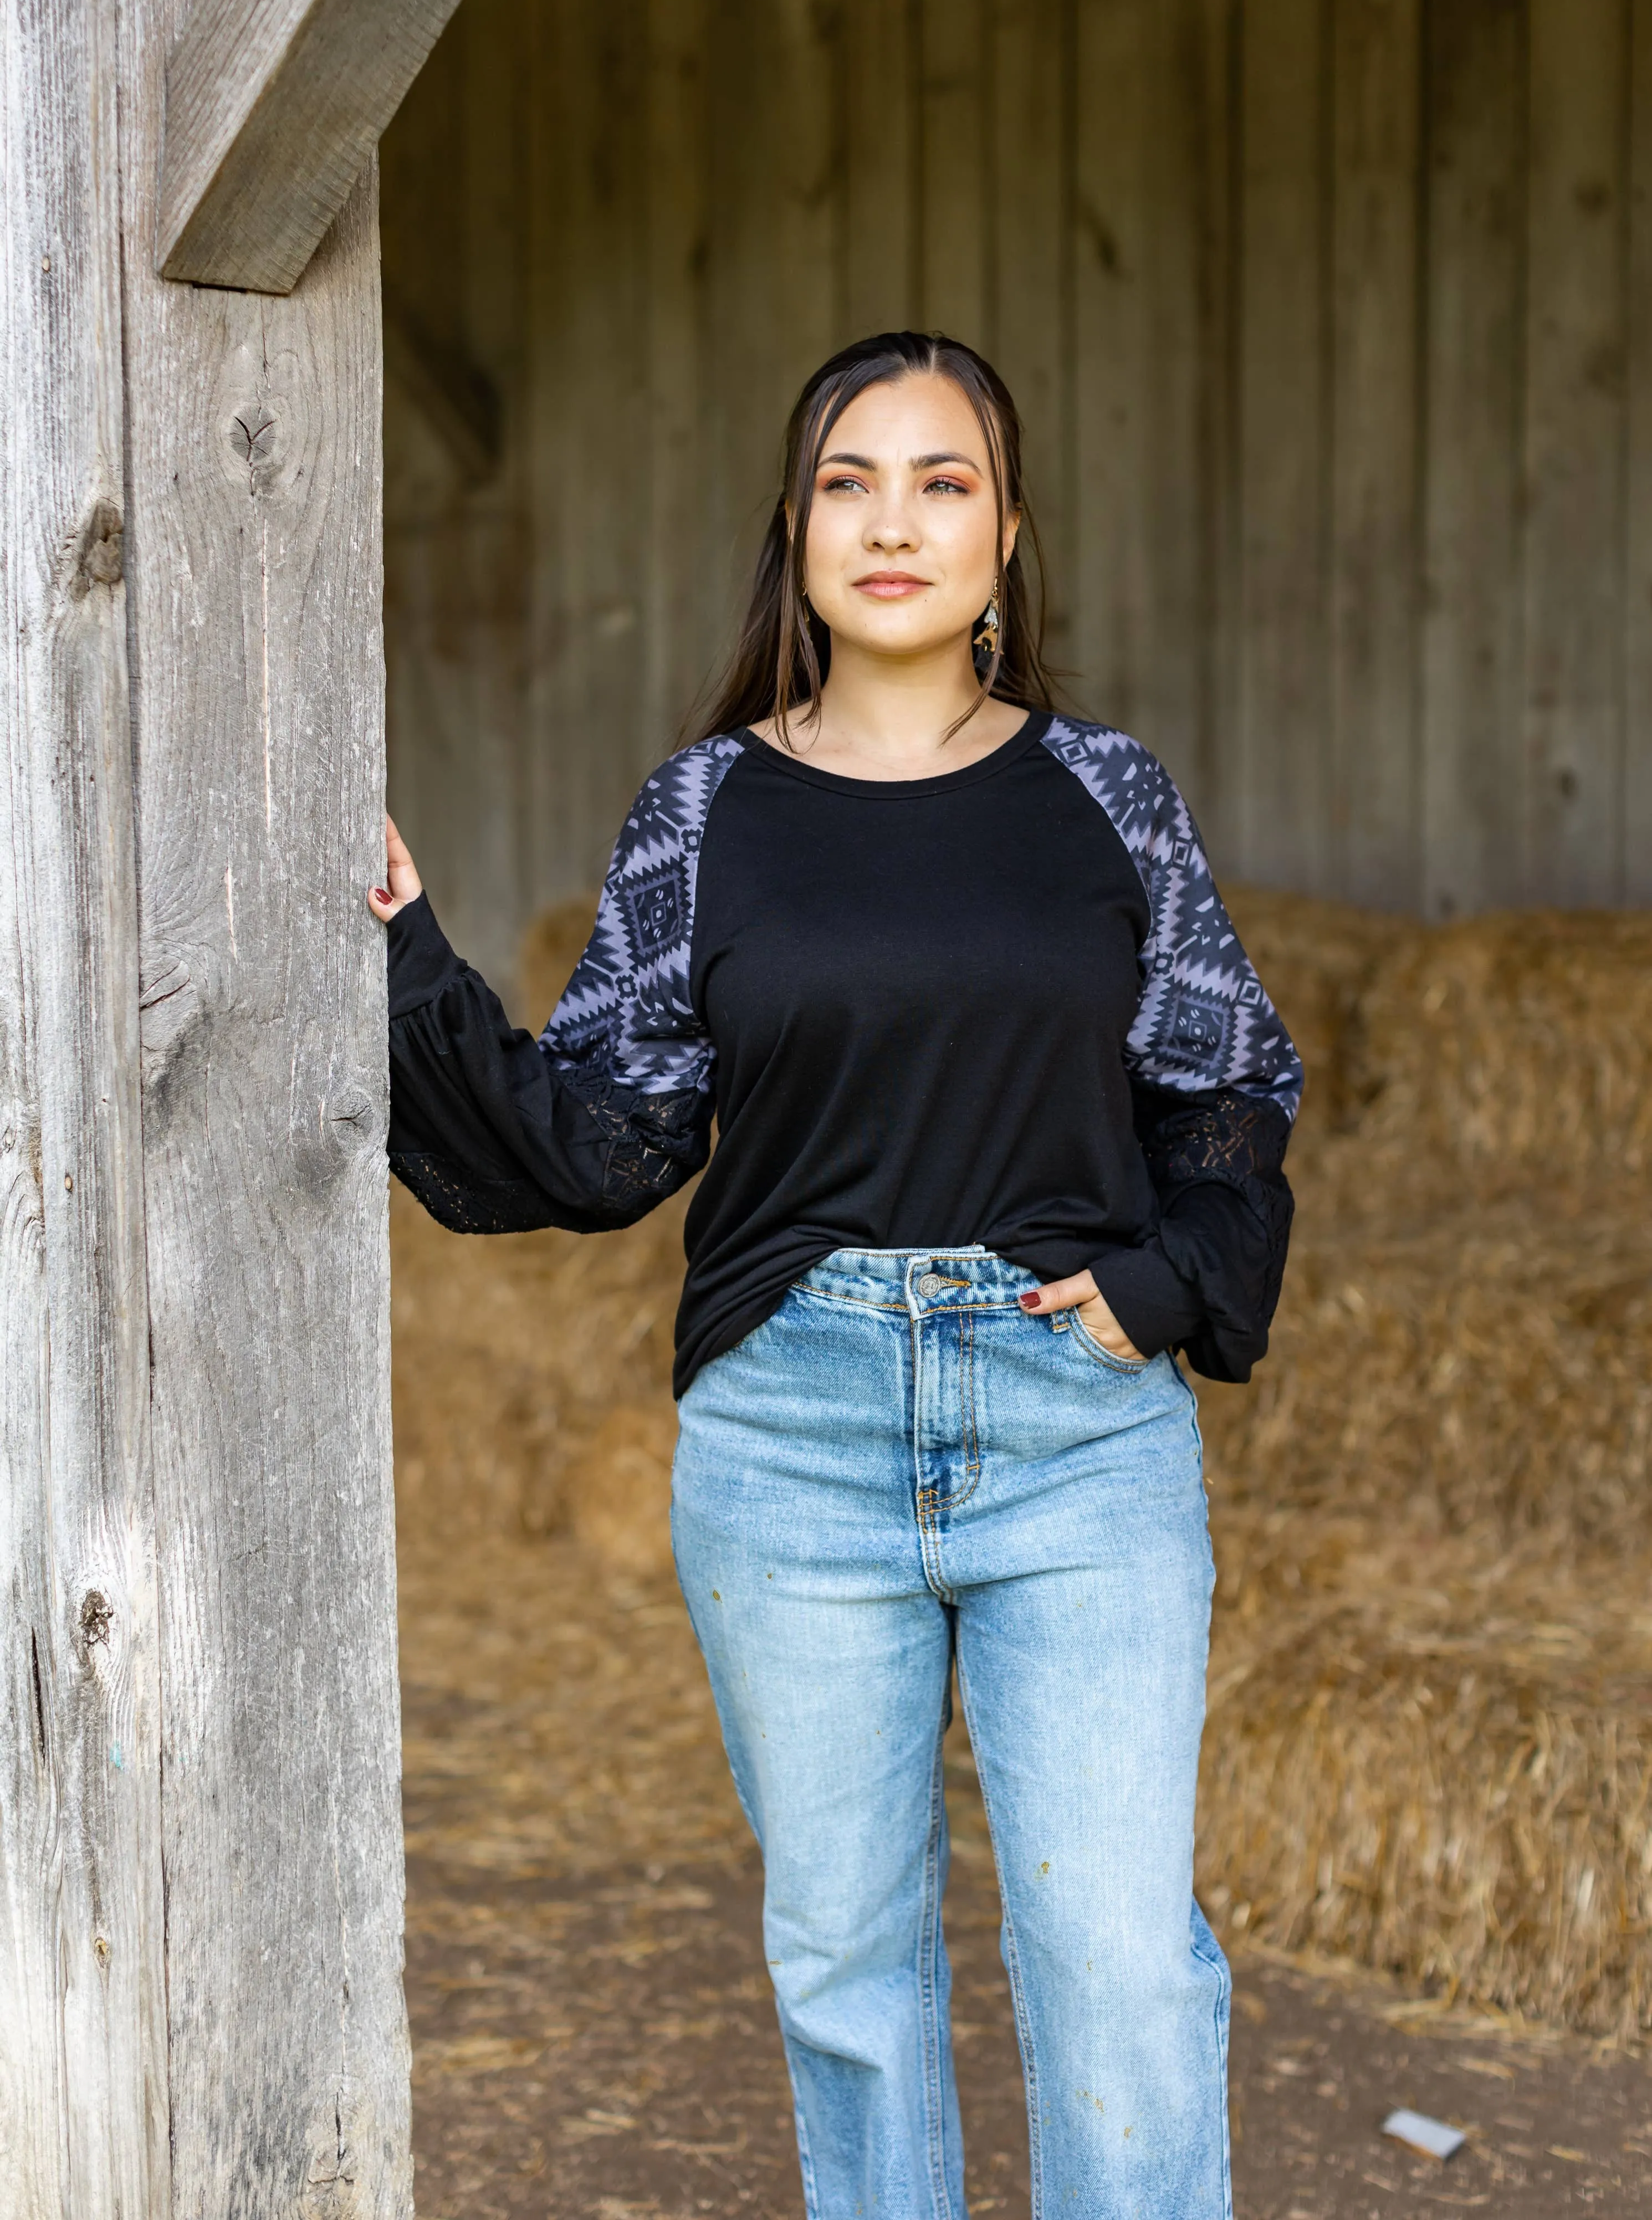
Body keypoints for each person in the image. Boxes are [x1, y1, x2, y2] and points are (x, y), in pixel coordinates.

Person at [372, 329, 1301, 2220]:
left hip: (1074, 1434)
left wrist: (1170, 1281)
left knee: (1120, 1973)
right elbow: (606, 1134)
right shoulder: (703, 814)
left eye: (940, 480)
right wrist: (406, 956)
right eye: (846, 483)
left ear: (1007, 531)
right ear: (793, 532)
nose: (893, 523)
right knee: (849, 1985)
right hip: (791, 1441)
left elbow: (1227, 1086)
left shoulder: (1106, 799)